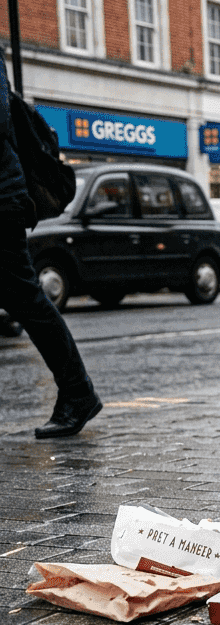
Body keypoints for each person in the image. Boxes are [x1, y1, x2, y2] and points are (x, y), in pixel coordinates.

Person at [0, 55, 102, 438]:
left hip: (2, 201)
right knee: (25, 299)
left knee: (26, 298)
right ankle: (78, 392)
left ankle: (78, 392)